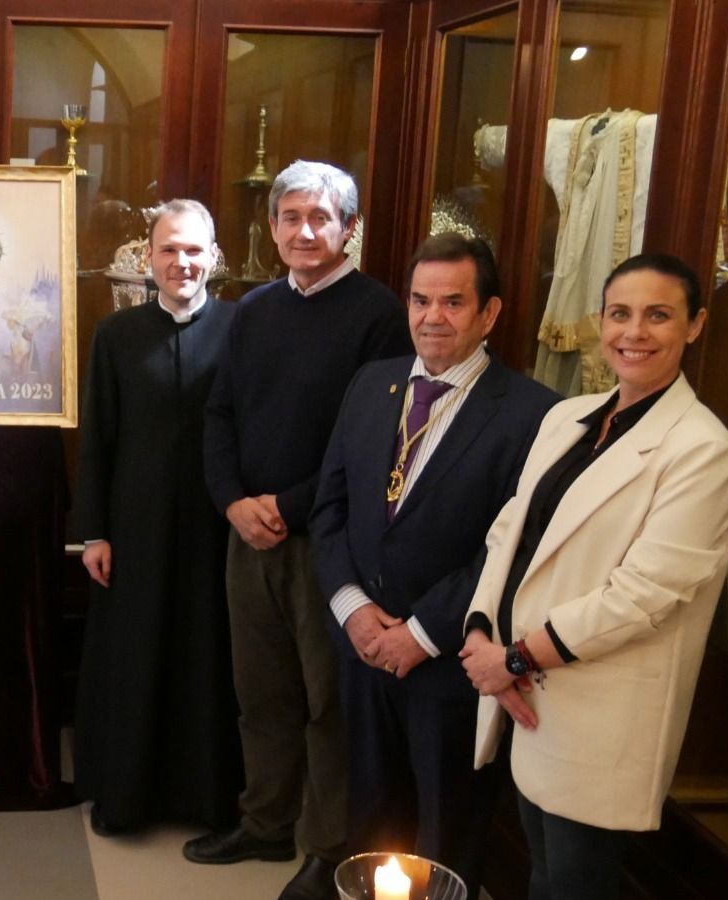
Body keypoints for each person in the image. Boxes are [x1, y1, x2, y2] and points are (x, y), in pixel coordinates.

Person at [461, 253, 728, 900]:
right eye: (620, 314)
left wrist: (513, 657)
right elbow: (510, 532)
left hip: (599, 710)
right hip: (525, 688)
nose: (634, 332)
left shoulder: (702, 449)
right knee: (540, 873)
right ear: (600, 320)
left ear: (695, 325)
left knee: (575, 884)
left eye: (658, 315)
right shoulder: (568, 418)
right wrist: (480, 634)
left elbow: (643, 595)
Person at [309, 234, 559, 891]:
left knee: (445, 843)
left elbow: (512, 549)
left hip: (448, 667)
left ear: (489, 313)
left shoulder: (534, 414)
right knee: (368, 829)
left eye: (453, 302)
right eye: (420, 300)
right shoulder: (371, 383)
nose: (432, 317)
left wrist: (421, 634)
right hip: (363, 655)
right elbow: (329, 508)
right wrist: (353, 609)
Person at [196, 160, 412, 900]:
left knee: (327, 704)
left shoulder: (380, 314)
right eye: (290, 217)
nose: (304, 231)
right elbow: (220, 412)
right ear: (272, 227)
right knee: (261, 695)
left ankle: (326, 849)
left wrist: (288, 506)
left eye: (321, 217)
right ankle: (264, 822)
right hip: (247, 536)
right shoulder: (254, 308)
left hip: (329, 541)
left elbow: (372, 440)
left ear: (349, 228)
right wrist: (233, 502)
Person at [71, 199, 242, 835]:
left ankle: (205, 802)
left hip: (215, 528)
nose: (181, 262)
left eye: (193, 250)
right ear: (148, 257)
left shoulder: (241, 328)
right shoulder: (116, 334)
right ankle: (125, 798)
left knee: (206, 658)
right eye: (168, 249)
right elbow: (98, 437)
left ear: (214, 257)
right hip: (134, 528)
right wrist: (94, 531)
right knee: (133, 657)